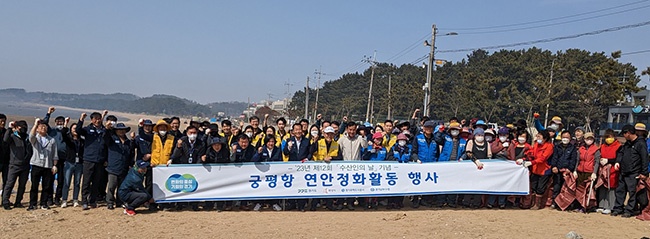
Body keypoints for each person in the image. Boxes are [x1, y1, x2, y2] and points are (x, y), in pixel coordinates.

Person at [612, 125, 649, 217]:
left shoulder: (641, 143)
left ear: (628, 133)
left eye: (624, 134)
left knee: (632, 193)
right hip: (623, 171)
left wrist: (644, 173)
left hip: (634, 172)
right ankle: (618, 208)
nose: (623, 136)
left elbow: (644, 158)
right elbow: (620, 153)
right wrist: (617, 162)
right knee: (620, 191)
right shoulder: (627, 144)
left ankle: (629, 210)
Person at [76, 112, 107, 210]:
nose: (97, 120)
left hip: (100, 160)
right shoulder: (88, 129)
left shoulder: (103, 130)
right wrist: (81, 119)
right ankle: (84, 201)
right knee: (86, 181)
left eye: (99, 118)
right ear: (92, 120)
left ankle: (92, 201)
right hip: (89, 159)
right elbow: (78, 130)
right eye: (95, 118)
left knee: (96, 182)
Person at [171, 125, 206, 211]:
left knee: (195, 185)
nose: (193, 135)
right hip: (183, 166)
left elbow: (200, 156)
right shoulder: (182, 141)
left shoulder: (201, 143)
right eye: (191, 133)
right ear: (187, 133)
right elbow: (175, 155)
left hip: (195, 166)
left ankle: (194, 204)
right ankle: (180, 204)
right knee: (182, 185)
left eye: (194, 133)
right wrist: (178, 147)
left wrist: (197, 166)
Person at [103, 122, 135, 210]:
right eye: (119, 130)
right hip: (113, 167)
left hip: (124, 168)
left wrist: (131, 164)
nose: (121, 131)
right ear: (116, 131)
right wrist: (106, 129)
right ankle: (109, 202)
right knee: (111, 186)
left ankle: (119, 202)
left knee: (121, 187)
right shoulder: (112, 139)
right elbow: (105, 137)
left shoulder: (128, 142)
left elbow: (131, 153)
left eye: (123, 130)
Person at [28, 119, 58, 210]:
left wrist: (54, 165)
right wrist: (35, 124)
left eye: (45, 127)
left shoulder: (52, 140)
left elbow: (55, 154)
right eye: (41, 127)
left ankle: (43, 203)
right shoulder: (36, 139)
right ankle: (33, 204)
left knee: (46, 186)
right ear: (37, 129)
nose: (43, 128)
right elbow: (31, 136)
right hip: (36, 164)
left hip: (47, 165)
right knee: (34, 186)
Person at [2, 120, 32, 210]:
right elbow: (5, 140)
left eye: (25, 126)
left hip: (25, 165)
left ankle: (18, 202)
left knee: (22, 185)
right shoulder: (12, 136)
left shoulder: (27, 138)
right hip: (14, 165)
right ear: (17, 127)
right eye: (21, 126)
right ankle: (5, 202)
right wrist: (10, 128)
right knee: (9, 184)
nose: (23, 128)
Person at [147, 119, 175, 211]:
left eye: (164, 127)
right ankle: (151, 204)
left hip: (166, 167)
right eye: (160, 127)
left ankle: (164, 204)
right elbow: (143, 136)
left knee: (165, 186)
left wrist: (171, 159)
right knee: (151, 185)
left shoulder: (172, 138)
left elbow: (175, 150)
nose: (162, 129)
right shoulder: (152, 137)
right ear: (157, 128)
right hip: (154, 166)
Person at [42, 107, 69, 206]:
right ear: (55, 122)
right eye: (58, 122)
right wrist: (48, 113)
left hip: (62, 159)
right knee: (50, 179)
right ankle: (49, 198)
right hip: (51, 159)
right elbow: (44, 123)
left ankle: (58, 197)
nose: (60, 123)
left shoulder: (67, 131)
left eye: (61, 122)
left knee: (61, 180)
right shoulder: (51, 131)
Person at [283, 123, 312, 211]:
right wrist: (288, 147)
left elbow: (310, 152)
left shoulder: (307, 141)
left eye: (300, 129)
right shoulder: (289, 140)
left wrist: (307, 158)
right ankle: (292, 204)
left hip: (303, 168)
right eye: (296, 130)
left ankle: (301, 205)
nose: (298, 131)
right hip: (292, 168)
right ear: (293, 131)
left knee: (302, 186)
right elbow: (285, 152)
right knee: (292, 186)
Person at [522, 131, 554, 210]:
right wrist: (526, 157)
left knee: (540, 187)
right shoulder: (536, 145)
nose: (537, 138)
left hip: (544, 169)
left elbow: (543, 158)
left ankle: (537, 204)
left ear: (545, 138)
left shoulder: (549, 146)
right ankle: (531, 203)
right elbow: (532, 153)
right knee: (533, 186)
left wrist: (531, 162)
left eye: (539, 136)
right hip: (535, 169)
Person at [411, 121, 439, 208]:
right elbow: (413, 151)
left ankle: (425, 200)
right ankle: (415, 200)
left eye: (431, 127)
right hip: (420, 164)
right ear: (423, 128)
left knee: (429, 183)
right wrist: (416, 159)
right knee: (417, 183)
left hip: (431, 165)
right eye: (427, 127)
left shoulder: (435, 140)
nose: (429, 129)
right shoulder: (418, 138)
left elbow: (437, 153)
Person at [251, 135, 282, 212]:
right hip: (262, 173)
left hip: (274, 174)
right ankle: (259, 203)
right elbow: (253, 160)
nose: (271, 143)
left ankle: (274, 203)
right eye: (269, 141)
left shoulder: (277, 150)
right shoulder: (262, 149)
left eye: (272, 142)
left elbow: (280, 161)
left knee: (274, 188)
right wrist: (258, 153)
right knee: (261, 188)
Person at [461, 128, 490, 208]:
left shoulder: (487, 144)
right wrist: (475, 161)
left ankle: (477, 202)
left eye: (482, 135)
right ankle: (466, 202)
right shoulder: (471, 142)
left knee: (479, 185)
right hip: (471, 166)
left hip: (482, 167)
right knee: (469, 184)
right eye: (478, 135)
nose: (480, 137)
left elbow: (489, 155)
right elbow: (468, 152)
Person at [201, 137, 231, 211]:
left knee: (221, 189)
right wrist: (204, 160)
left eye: (218, 145)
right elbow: (205, 161)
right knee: (209, 189)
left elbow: (228, 161)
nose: (217, 147)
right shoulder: (209, 151)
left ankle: (219, 206)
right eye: (215, 145)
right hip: (211, 174)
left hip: (222, 174)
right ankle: (209, 205)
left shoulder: (225, 151)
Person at [572, 132, 599, 213]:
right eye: (587, 139)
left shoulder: (596, 149)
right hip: (580, 171)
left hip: (589, 172)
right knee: (579, 189)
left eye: (591, 139)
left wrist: (594, 172)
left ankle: (587, 207)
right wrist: (575, 170)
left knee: (587, 191)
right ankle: (578, 205)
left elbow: (597, 162)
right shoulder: (581, 149)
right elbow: (577, 160)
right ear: (584, 139)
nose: (589, 140)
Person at [549, 130, 577, 208]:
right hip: (557, 170)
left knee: (566, 189)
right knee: (556, 187)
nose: (565, 139)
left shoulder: (573, 148)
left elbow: (573, 159)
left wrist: (569, 169)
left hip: (567, 172)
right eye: (564, 137)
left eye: (567, 137)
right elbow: (554, 158)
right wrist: (554, 166)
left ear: (570, 138)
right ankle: (555, 202)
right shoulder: (557, 147)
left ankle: (565, 204)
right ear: (561, 138)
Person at [595, 129, 620, 214]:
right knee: (602, 187)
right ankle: (601, 205)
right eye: (607, 137)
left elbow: (619, 158)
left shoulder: (618, 146)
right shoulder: (602, 146)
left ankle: (610, 206)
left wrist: (609, 161)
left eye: (610, 137)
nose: (608, 139)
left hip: (613, 170)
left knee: (611, 188)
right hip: (603, 169)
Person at [362, 132, 388, 209]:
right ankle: (366, 202)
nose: (378, 140)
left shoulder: (384, 149)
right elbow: (364, 157)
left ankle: (374, 202)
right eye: (377, 139)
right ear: (374, 139)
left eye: (380, 139)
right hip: (369, 171)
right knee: (367, 187)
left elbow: (386, 159)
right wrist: (370, 152)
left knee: (377, 188)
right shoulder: (368, 147)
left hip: (379, 172)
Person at [61, 122, 84, 208]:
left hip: (79, 163)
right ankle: (64, 200)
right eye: (73, 128)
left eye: (76, 128)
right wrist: (66, 124)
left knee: (77, 182)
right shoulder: (68, 139)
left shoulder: (82, 140)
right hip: (69, 162)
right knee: (66, 182)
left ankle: (75, 199)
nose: (75, 130)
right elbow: (63, 133)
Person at [386, 133, 411, 209]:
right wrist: (395, 160)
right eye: (400, 140)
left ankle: (399, 202)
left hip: (404, 171)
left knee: (402, 187)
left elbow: (411, 157)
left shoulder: (408, 149)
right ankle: (391, 202)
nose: (402, 142)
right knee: (392, 187)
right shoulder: (393, 148)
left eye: (404, 140)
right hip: (394, 171)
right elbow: (389, 157)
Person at [0, 114, 8, 193]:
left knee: (6, 181)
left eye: (4, 121)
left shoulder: (7, 132)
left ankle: (5, 200)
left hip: (6, 160)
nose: (3, 123)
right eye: (1, 121)